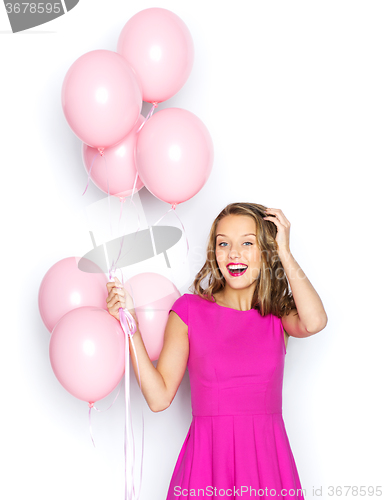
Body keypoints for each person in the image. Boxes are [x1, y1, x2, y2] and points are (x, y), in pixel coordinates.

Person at [106, 202, 327, 500]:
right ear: (214, 253)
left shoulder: (278, 313)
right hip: (207, 466)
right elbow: (158, 399)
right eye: (224, 244)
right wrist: (130, 328)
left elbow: (315, 322)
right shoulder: (188, 310)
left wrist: (284, 252)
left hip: (267, 464)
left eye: (247, 243)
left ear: (266, 250)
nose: (233, 253)